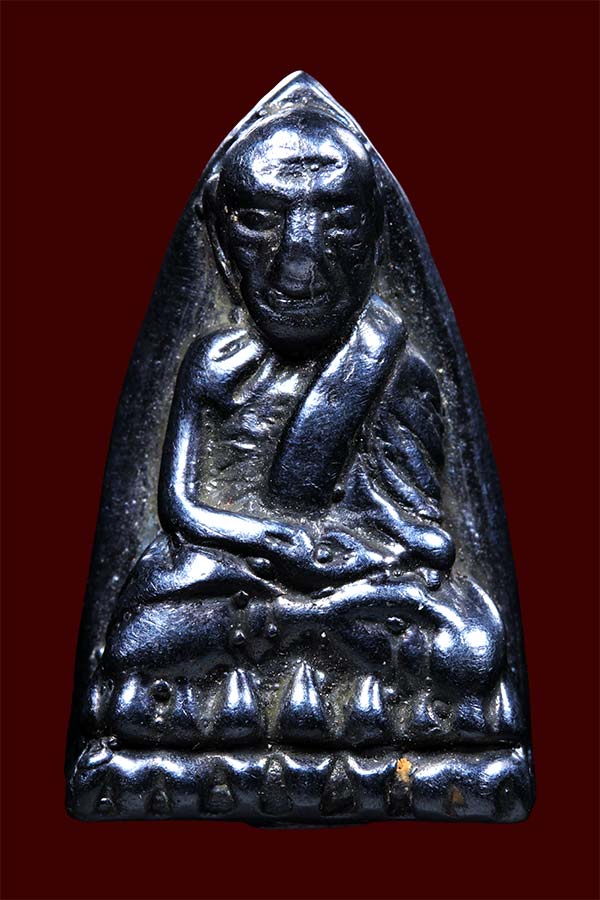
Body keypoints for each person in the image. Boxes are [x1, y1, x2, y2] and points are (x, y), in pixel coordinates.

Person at [101, 107, 504, 726]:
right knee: (137, 633)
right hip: (238, 568)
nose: (298, 267)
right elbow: (179, 509)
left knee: (473, 644)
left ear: (377, 234)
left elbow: (426, 535)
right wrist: (264, 538)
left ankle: (290, 629)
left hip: (353, 577)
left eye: (340, 222)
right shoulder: (213, 363)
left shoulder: (394, 367)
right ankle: (311, 630)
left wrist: (362, 553)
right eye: (259, 221)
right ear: (219, 235)